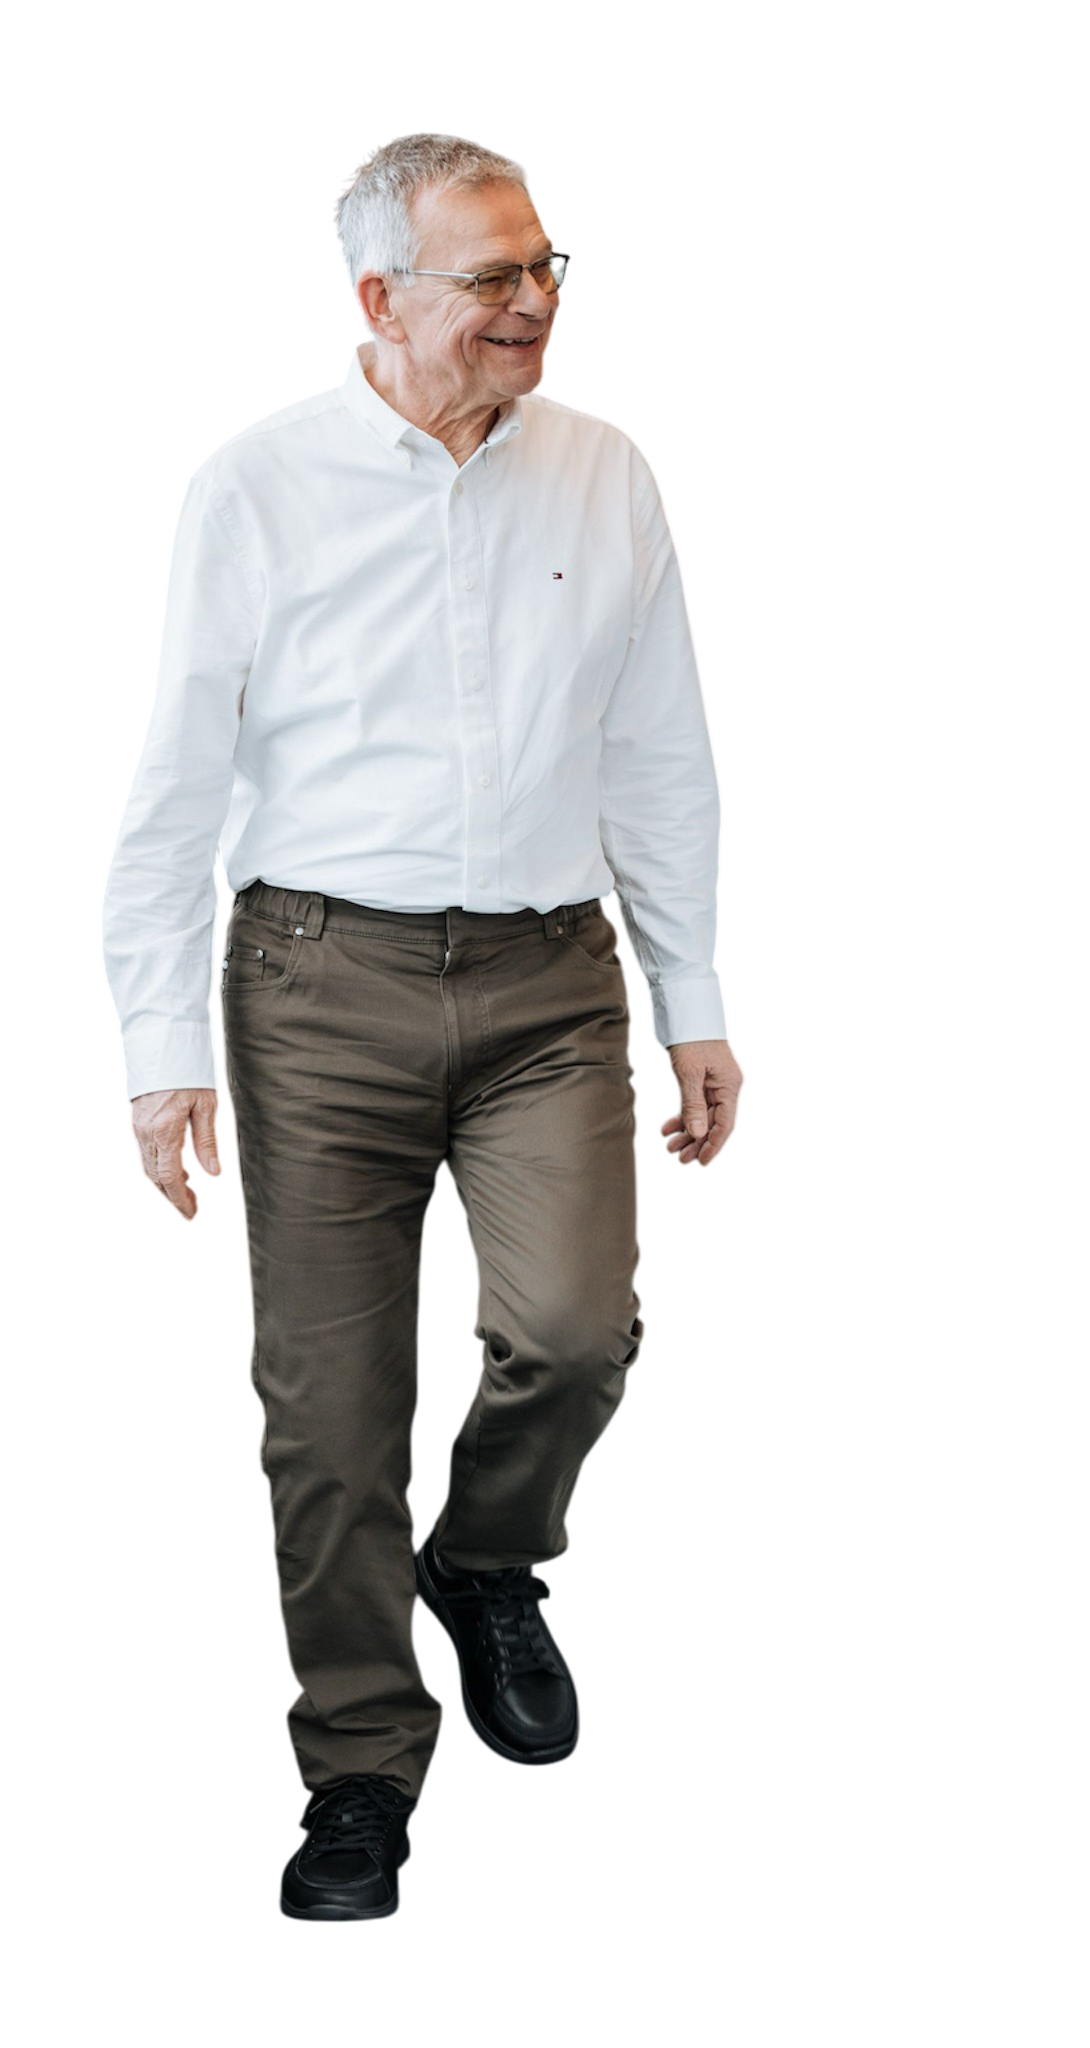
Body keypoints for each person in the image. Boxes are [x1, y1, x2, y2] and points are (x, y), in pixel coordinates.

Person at [97, 131, 744, 1923]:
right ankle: (361, 1766)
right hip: (316, 989)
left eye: (547, 266)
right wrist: (162, 1051)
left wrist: (691, 1002)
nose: (536, 300)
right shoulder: (254, 484)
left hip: (552, 984)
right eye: (494, 276)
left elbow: (659, 754)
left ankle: (492, 1556)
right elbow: (174, 782)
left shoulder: (606, 469)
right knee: (327, 1412)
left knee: (573, 1338)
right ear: (379, 297)